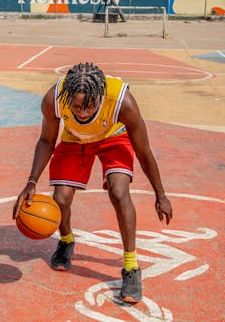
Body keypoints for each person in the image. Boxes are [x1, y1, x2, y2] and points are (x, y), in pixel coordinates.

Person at [13, 62, 173, 303]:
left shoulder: (122, 102)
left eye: (90, 106)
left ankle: (131, 267)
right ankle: (66, 242)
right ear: (67, 97)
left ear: (101, 96)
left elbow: (144, 151)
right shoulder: (53, 100)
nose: (83, 113)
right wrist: (31, 182)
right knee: (61, 198)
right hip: (75, 139)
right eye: (76, 106)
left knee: (119, 193)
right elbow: (47, 141)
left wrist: (160, 195)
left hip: (113, 136)